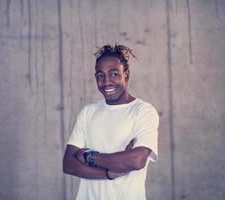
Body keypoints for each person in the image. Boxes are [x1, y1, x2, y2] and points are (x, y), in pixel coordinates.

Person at [63, 44, 159, 200]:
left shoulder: (143, 111)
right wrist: (109, 172)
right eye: (100, 75)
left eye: (114, 74)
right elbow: (68, 164)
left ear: (126, 75)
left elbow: (136, 160)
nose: (106, 81)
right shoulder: (88, 112)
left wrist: (88, 157)